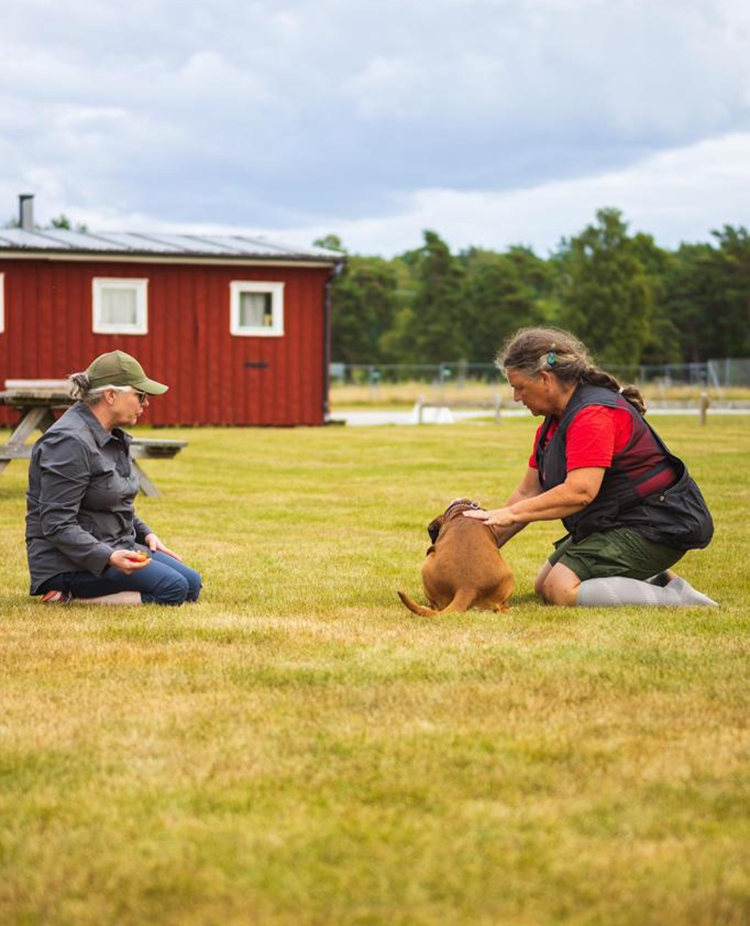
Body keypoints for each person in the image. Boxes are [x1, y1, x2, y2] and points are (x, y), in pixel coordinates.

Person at [464, 327, 717, 607]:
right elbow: (527, 493)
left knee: (559, 589)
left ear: (545, 379)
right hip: (619, 521)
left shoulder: (592, 415)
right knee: (542, 584)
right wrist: (479, 547)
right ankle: (657, 578)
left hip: (657, 524)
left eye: (519, 387)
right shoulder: (553, 423)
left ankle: (676, 597)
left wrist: (510, 513)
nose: (515, 397)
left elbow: (580, 492)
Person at [26, 350, 202, 606]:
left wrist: (146, 535)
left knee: (191, 584)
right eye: (140, 395)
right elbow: (56, 523)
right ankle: (66, 596)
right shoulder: (68, 442)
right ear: (110, 395)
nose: (146, 403)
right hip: (68, 564)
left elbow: (112, 499)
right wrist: (108, 556)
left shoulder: (110, 435)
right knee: (173, 589)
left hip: (115, 545)